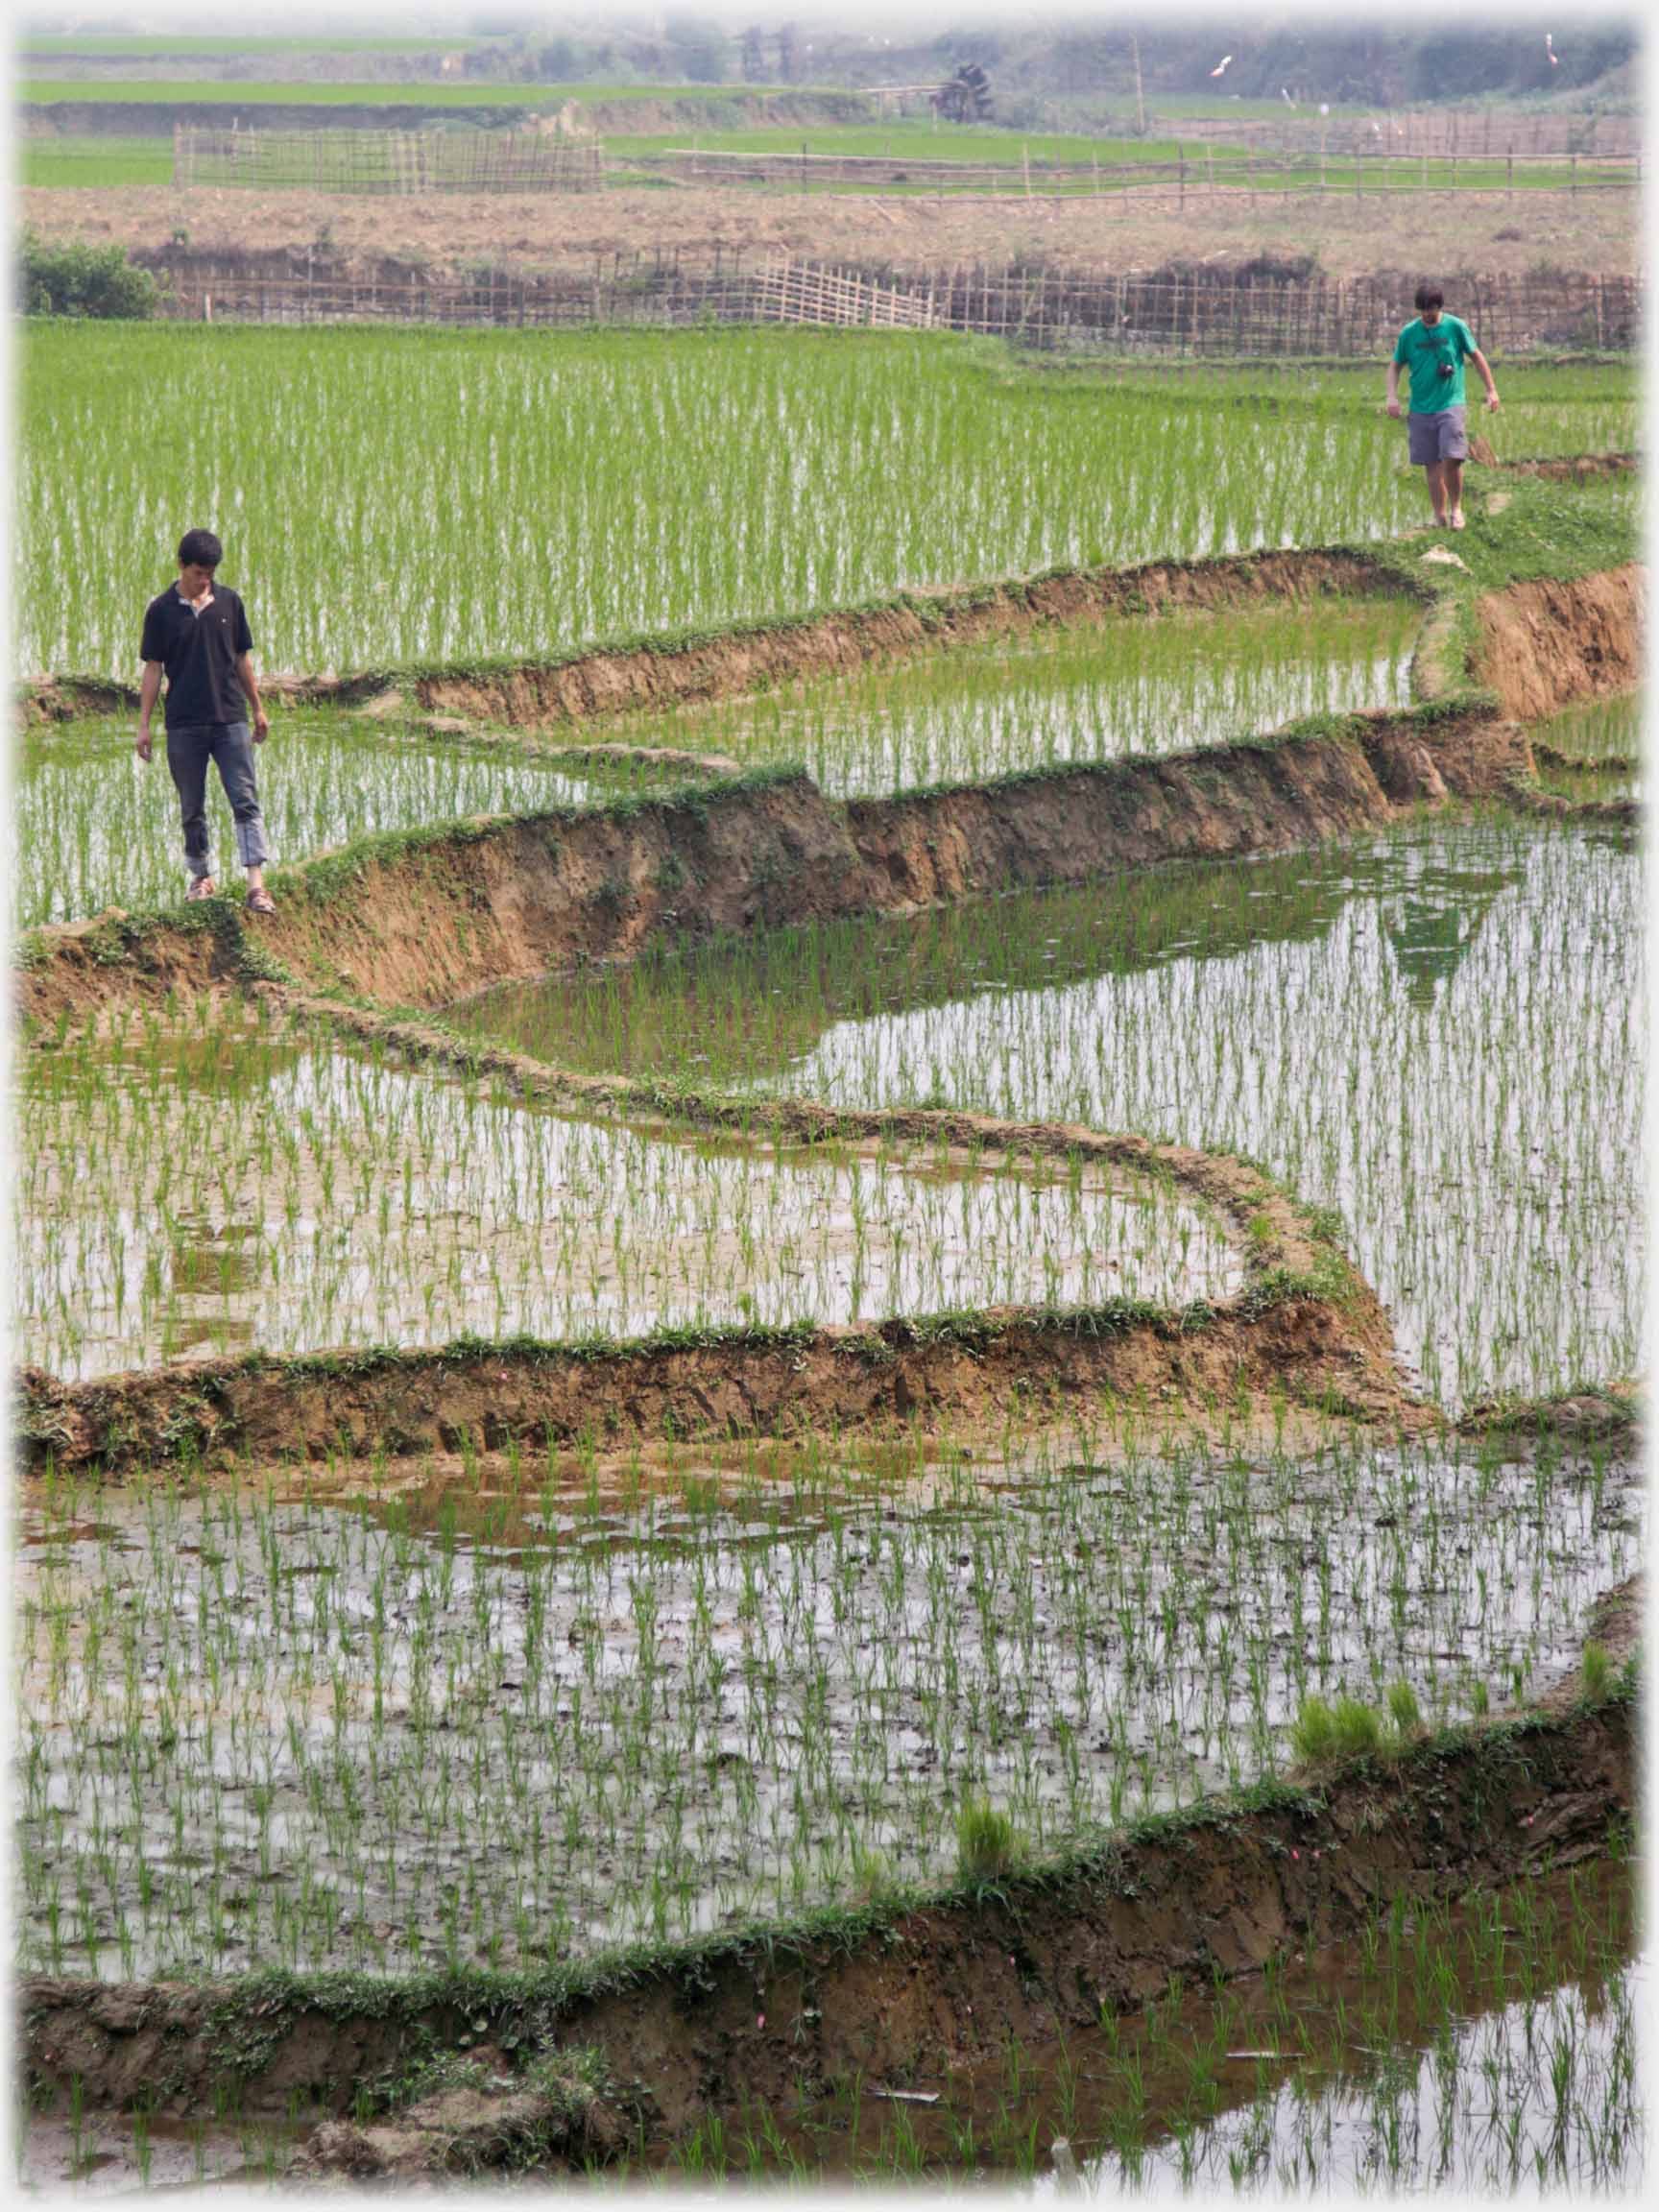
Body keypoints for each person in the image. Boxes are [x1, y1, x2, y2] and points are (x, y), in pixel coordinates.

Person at [136, 527, 276, 912]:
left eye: (210, 572)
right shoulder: (161, 611)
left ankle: (256, 885)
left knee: (245, 800)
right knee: (191, 805)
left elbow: (242, 659)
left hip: (230, 719)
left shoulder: (230, 603)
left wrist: (258, 708)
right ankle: (201, 877)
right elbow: (153, 669)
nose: (205, 579)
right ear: (181, 565)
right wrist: (145, 724)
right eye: (198, 572)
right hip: (184, 723)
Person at [1385, 282, 1501, 531]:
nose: (1428, 314)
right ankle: (1439, 516)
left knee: (1453, 458)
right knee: (1431, 465)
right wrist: (1392, 397)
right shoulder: (1409, 333)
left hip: (1451, 403)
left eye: (1433, 309)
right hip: (1420, 407)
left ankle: (1457, 510)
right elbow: (1395, 365)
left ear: (1440, 307)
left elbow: (1476, 356)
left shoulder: (1455, 327)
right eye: (1424, 310)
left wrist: (1491, 390)